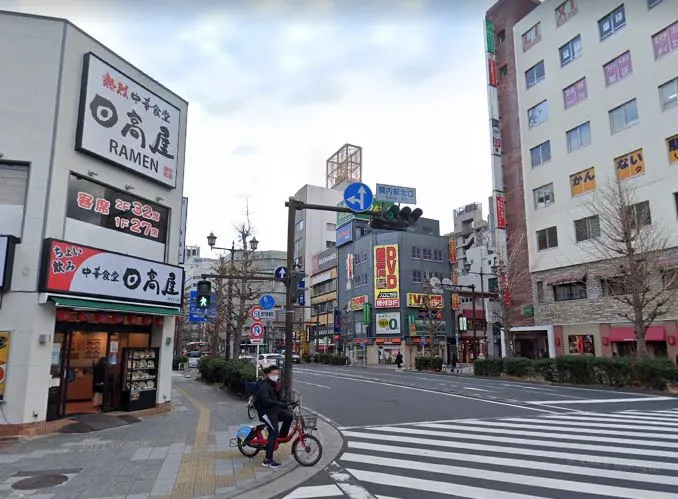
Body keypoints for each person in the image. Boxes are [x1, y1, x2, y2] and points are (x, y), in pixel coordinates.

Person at [254, 365, 293, 469]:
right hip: (265, 412)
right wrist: (280, 404)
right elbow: (266, 400)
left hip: (273, 410)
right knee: (273, 432)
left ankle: (281, 437)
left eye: (277, 374)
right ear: (268, 374)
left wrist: (286, 402)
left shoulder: (275, 384)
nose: (276, 376)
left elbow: (277, 399)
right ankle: (267, 460)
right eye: (273, 374)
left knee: (289, 416)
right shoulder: (264, 385)